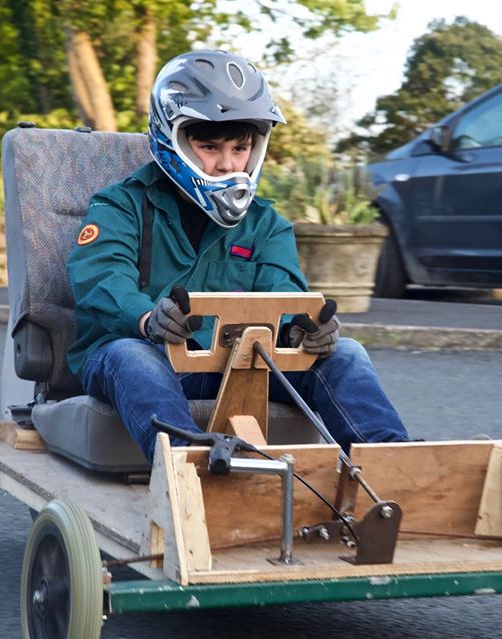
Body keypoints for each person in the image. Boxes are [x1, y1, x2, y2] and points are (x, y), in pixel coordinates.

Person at [66, 49, 409, 461]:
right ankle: (191, 471)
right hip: (144, 356)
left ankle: (395, 467)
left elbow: (284, 299)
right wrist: (146, 318)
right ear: (171, 139)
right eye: (209, 146)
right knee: (130, 355)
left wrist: (307, 328)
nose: (226, 164)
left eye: (240, 148)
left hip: (241, 366)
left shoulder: (267, 224)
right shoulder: (120, 205)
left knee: (347, 352)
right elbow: (101, 278)